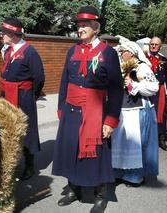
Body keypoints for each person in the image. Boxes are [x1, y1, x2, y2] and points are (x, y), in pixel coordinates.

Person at [52, 6, 123, 213]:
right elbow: (64, 80)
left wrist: (111, 120)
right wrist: (60, 108)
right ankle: (74, 189)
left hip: (96, 111)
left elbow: (116, 89)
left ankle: (101, 194)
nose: (80, 28)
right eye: (78, 25)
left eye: (85, 25)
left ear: (96, 28)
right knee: (71, 150)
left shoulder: (107, 53)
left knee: (97, 155)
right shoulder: (72, 50)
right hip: (71, 109)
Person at [0, 18, 45, 180]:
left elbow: (39, 78)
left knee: (27, 131)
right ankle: (11, 163)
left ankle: (30, 166)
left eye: (4, 32)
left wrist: (32, 95)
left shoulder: (29, 52)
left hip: (24, 97)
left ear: (13, 34)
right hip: (7, 95)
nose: (2, 35)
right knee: (8, 129)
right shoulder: (7, 50)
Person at [112, 40, 159, 187]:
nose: (120, 54)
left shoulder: (142, 67)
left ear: (131, 53)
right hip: (121, 109)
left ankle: (134, 176)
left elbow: (154, 87)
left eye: (122, 52)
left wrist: (134, 85)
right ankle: (118, 172)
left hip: (137, 109)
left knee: (135, 143)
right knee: (120, 141)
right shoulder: (119, 67)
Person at [146, 37, 167, 151]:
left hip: (159, 89)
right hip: (145, 89)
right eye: (151, 44)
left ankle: (161, 137)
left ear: (160, 46)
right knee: (146, 113)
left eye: (156, 44)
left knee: (161, 114)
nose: (153, 46)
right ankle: (146, 138)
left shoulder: (164, 59)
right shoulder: (143, 58)